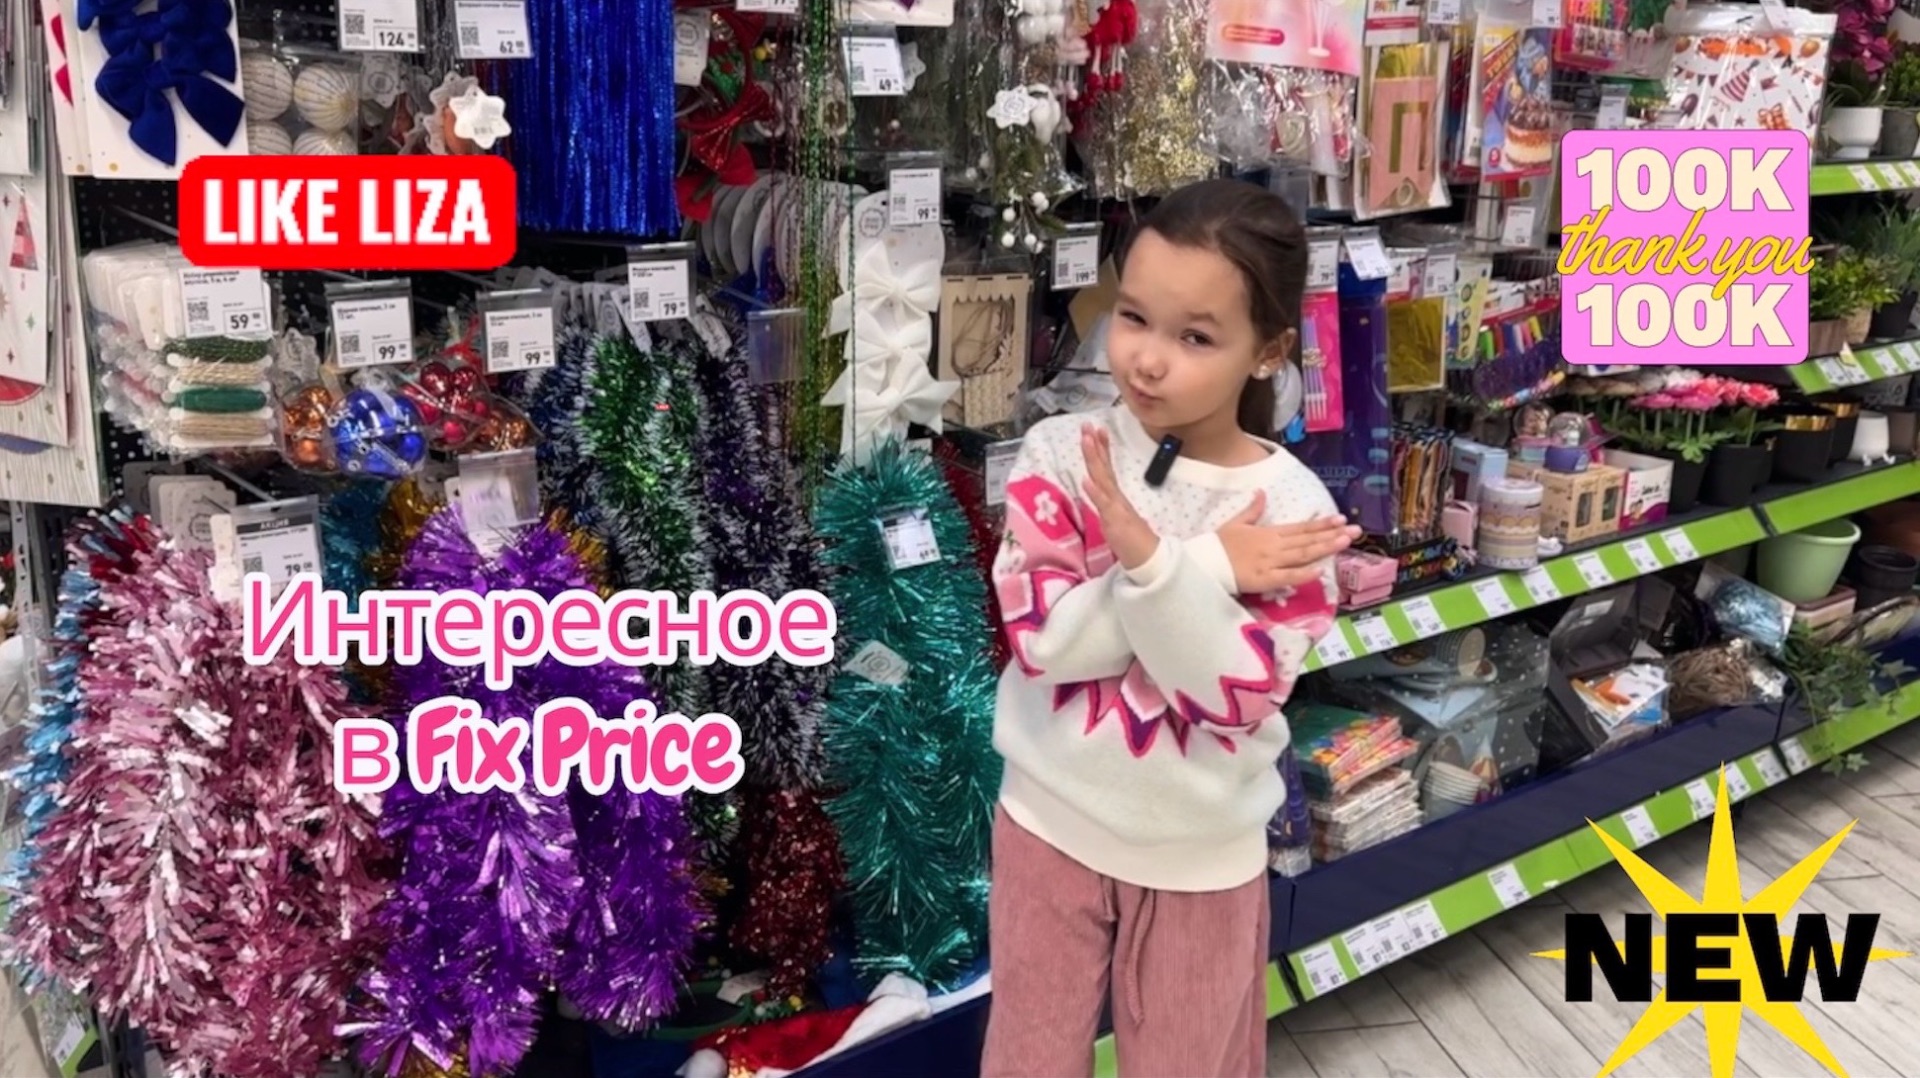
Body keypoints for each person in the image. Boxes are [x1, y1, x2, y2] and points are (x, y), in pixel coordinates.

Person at [981, 178, 1357, 1078]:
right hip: (1045, 826)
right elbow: (1044, 643)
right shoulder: (1063, 453)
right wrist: (1204, 566)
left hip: (1201, 857)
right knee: (1028, 1057)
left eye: (1196, 337)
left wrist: (1151, 567)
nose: (1148, 360)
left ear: (1269, 351)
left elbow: (1234, 696)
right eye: (1135, 317)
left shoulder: (1295, 514)